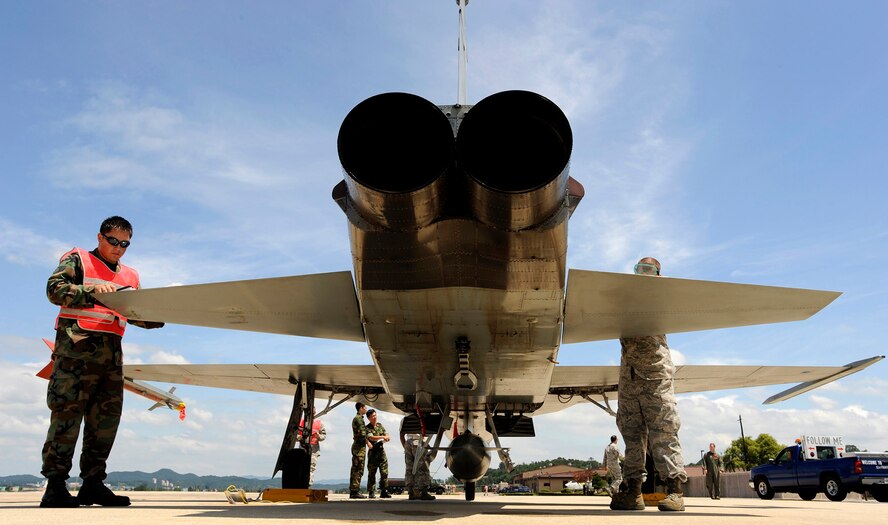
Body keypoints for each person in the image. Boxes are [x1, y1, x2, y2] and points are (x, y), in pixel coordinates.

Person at [41, 216, 163, 508]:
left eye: (125, 244)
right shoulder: (78, 261)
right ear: (100, 237)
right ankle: (55, 487)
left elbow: (135, 314)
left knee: (104, 424)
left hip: (110, 361)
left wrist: (163, 311)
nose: (119, 248)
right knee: (66, 420)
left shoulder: (130, 276)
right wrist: (93, 294)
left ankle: (93, 485)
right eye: (113, 241)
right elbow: (54, 290)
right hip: (75, 356)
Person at [610, 257, 688, 512]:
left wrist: (659, 285)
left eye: (648, 270)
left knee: (663, 431)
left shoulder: (661, 296)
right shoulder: (627, 300)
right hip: (629, 377)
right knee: (631, 434)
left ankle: (675, 491)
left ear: (657, 274)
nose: (642, 274)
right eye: (638, 269)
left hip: (655, 375)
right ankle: (633, 492)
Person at [400, 421, 436, 501]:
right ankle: (423, 492)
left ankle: (411, 492)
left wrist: (406, 447)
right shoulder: (422, 418)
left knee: (409, 468)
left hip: (408, 442)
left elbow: (401, 434)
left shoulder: (406, 420)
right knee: (422, 467)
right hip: (418, 442)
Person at [296, 408, 327, 487]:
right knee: (301, 467)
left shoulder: (319, 423)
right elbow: (295, 435)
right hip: (303, 448)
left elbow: (323, 436)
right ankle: (301, 484)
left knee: (311, 467)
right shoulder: (301, 422)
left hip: (314, 449)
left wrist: (318, 436)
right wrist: (300, 437)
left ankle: (308, 485)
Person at [365, 409, 391, 498]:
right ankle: (371, 491)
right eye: (372, 416)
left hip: (381, 451)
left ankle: (384, 491)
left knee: (384, 472)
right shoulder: (367, 428)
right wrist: (382, 437)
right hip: (373, 452)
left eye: (375, 415)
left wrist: (386, 437)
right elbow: (371, 437)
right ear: (369, 418)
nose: (375, 417)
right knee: (372, 472)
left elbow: (386, 433)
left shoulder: (380, 425)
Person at [349, 402, 369, 499]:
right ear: (361, 408)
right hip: (359, 448)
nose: (366, 409)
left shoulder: (359, 419)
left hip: (359, 447)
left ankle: (354, 490)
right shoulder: (359, 419)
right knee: (357, 469)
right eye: (365, 407)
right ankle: (354, 491)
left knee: (357, 469)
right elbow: (362, 434)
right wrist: (368, 442)